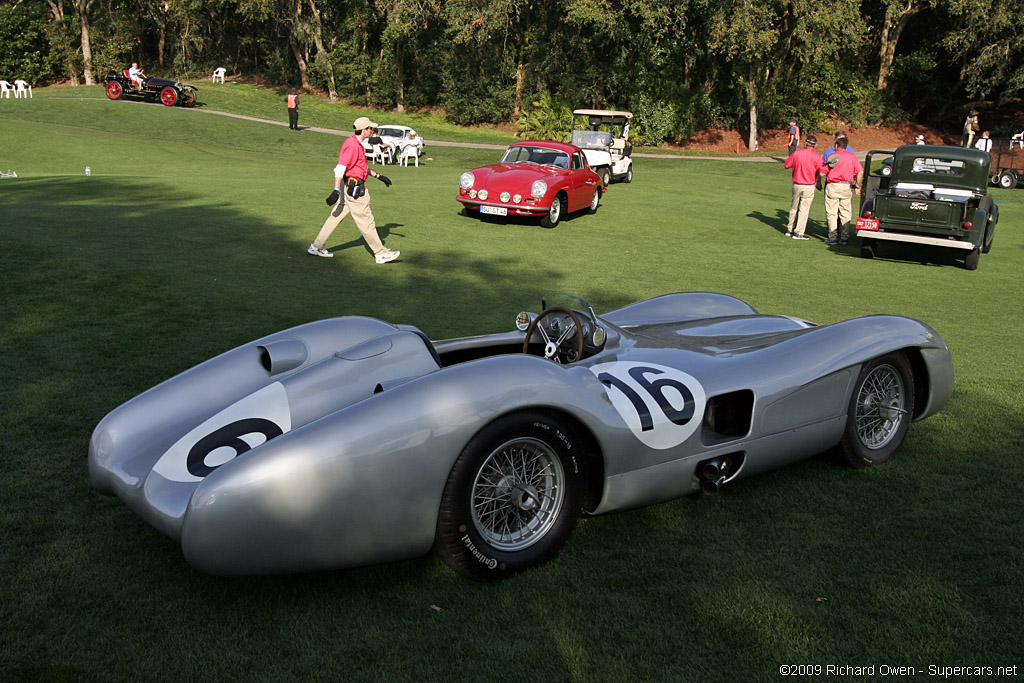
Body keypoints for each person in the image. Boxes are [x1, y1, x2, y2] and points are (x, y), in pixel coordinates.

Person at [308, 116, 400, 264]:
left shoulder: (355, 144)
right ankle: (380, 253)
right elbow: (340, 168)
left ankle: (316, 246)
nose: (372, 131)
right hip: (354, 189)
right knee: (366, 220)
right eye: (371, 129)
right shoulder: (353, 146)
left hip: (349, 187)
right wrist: (335, 190)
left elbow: (359, 167)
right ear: (364, 130)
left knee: (335, 216)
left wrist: (378, 175)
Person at [821, 137, 863, 246]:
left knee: (832, 212)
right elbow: (860, 171)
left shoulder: (832, 156)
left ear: (836, 145)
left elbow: (822, 172)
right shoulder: (852, 157)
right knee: (845, 213)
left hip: (833, 186)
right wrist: (856, 184)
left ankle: (833, 237)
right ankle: (844, 237)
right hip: (846, 186)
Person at [783, 134, 825, 241]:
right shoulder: (816, 156)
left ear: (805, 143)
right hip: (809, 185)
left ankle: (789, 229)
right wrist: (819, 182)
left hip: (797, 184)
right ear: (815, 145)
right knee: (804, 209)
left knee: (794, 207)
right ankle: (799, 232)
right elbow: (821, 171)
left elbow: (787, 165)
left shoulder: (797, 153)